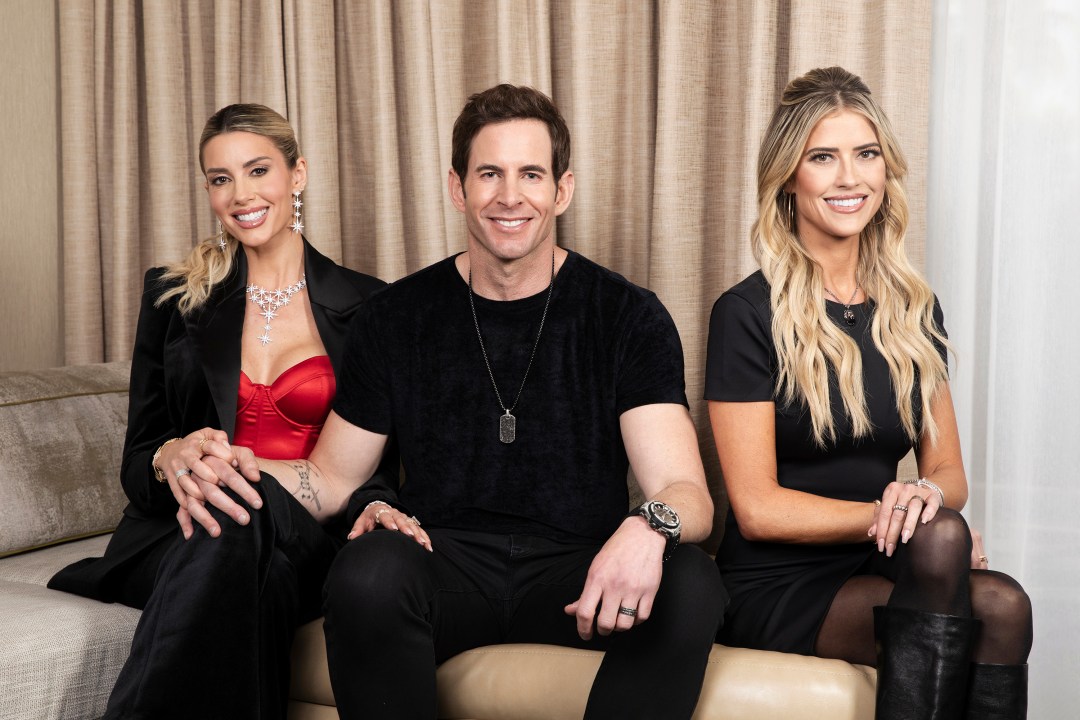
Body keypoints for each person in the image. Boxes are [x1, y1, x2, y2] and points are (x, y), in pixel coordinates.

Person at [215, 84, 724, 719]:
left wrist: (648, 526)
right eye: (490, 174)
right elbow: (329, 479)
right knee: (366, 570)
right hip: (442, 563)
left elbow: (687, 492)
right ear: (458, 188)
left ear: (562, 190)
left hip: (580, 571)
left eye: (530, 174)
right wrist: (226, 464)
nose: (510, 196)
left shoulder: (626, 315)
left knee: (691, 581)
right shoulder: (396, 316)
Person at [705, 67, 1032, 719]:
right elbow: (758, 509)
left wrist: (923, 500)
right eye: (823, 157)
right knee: (943, 538)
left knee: (1005, 604)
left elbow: (948, 473)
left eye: (866, 154)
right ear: (789, 177)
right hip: (778, 582)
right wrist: (897, 517)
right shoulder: (746, 313)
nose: (850, 177)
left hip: (887, 563)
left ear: (886, 170)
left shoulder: (914, 310)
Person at [48, 103, 389, 720]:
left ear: (298, 174)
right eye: (220, 179)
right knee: (246, 554)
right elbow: (138, 462)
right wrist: (170, 455)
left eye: (258, 170)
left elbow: (381, 468)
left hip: (310, 534)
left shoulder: (372, 307)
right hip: (178, 532)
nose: (240, 195)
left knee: (237, 514)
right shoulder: (173, 296)